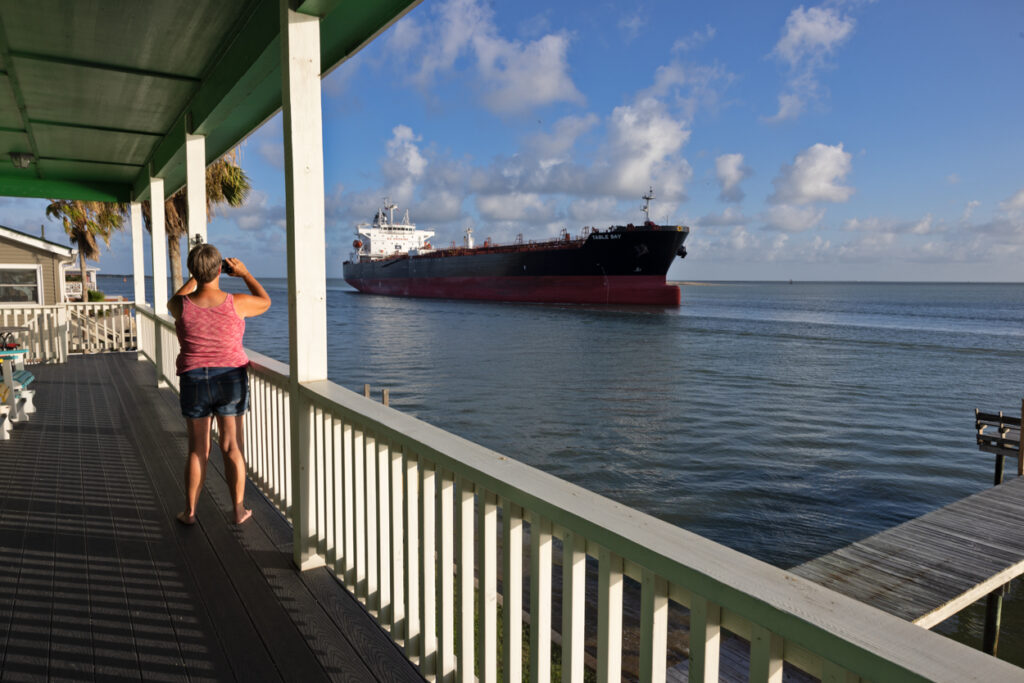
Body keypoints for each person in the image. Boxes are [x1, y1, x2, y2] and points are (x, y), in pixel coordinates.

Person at [168, 243, 271, 525]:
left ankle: (189, 512)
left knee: (197, 449)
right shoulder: (236, 302)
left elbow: (174, 299)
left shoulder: (181, 306)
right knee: (231, 446)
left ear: (192, 271)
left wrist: (197, 276)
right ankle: (238, 510)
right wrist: (245, 273)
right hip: (230, 378)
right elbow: (265, 301)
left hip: (194, 379)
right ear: (219, 270)